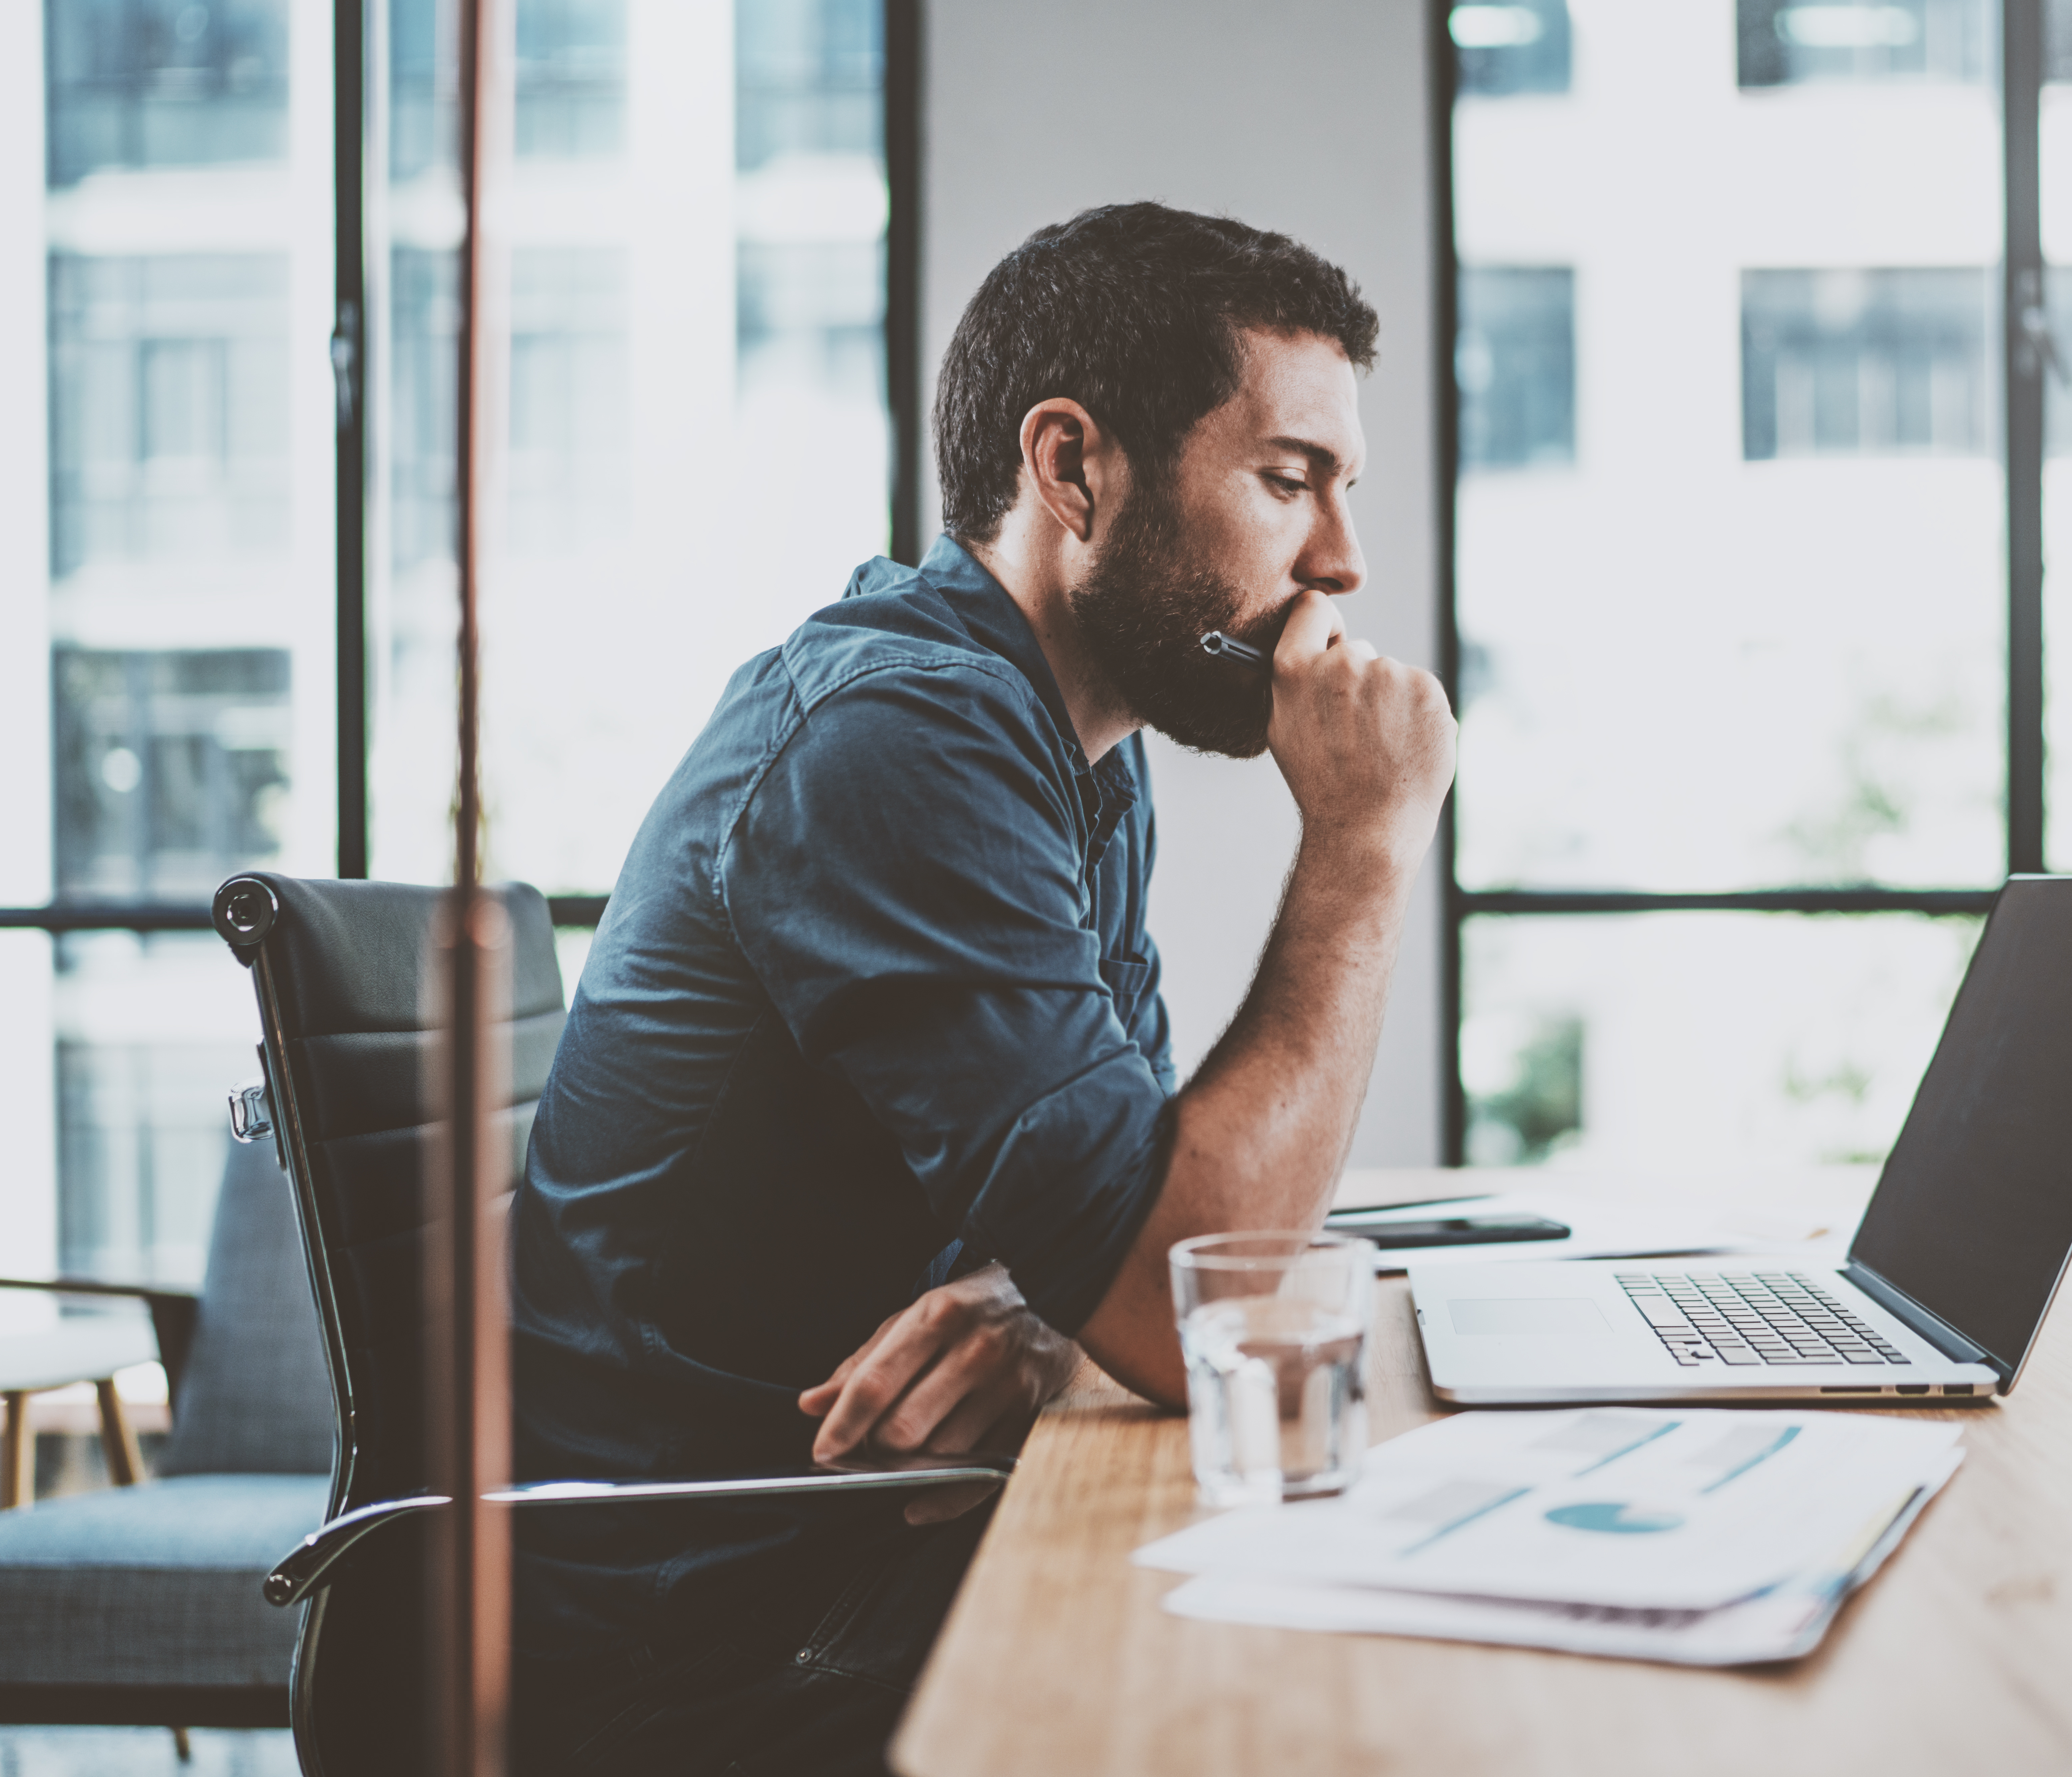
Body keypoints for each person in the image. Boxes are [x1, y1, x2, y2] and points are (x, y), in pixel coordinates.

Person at [508, 200, 1456, 1776]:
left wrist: (1036, 1302)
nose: (1340, 564)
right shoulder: (900, 737)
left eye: (1339, 493)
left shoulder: (1070, 745)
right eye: (1287, 482)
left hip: (852, 1545)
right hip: (708, 1638)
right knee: (1347, 1701)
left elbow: (1139, 1223)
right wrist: (1363, 844)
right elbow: (1180, 1303)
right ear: (1072, 468)